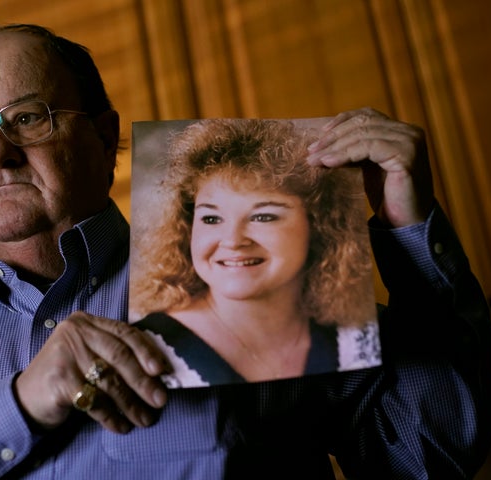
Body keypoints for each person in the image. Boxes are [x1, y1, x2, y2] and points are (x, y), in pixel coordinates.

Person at [0, 23, 491, 479]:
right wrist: (18, 402)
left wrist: (410, 237)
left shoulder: (246, 268)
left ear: (105, 139)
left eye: (28, 118)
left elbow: (427, 454)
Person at [130, 118, 381, 388]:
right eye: (212, 219)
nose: (233, 240)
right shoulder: (145, 350)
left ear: (318, 223)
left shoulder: (357, 337)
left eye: (263, 216)